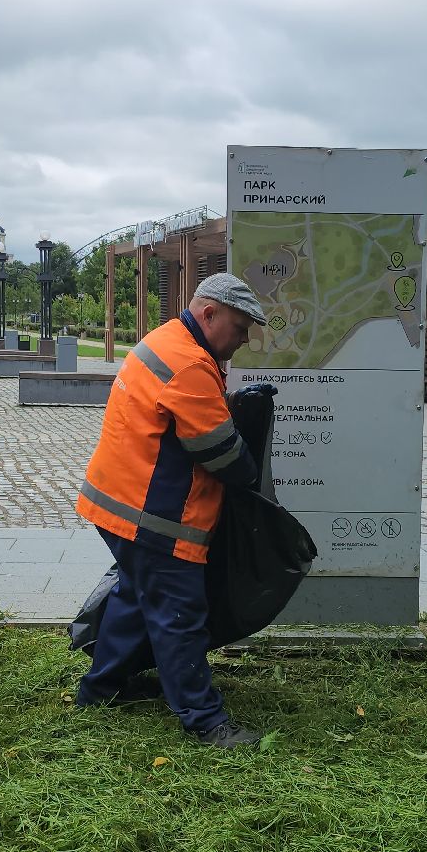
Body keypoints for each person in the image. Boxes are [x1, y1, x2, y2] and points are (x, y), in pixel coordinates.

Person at [74, 273, 270, 748]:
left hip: (118, 502)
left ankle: (101, 689)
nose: (244, 340)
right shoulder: (190, 365)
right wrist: (251, 471)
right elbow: (222, 454)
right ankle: (204, 719)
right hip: (154, 517)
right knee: (179, 614)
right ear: (210, 314)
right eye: (241, 328)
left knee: (135, 598)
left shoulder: (167, 340)